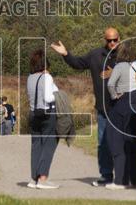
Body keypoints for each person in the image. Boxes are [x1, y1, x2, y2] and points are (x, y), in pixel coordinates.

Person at [50, 28, 120, 186]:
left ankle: (124, 176)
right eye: (109, 40)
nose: (113, 43)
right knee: (103, 143)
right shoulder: (95, 55)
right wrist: (65, 54)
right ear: (105, 40)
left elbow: (134, 73)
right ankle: (106, 176)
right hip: (103, 108)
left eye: (115, 39)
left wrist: (115, 72)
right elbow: (77, 64)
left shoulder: (125, 57)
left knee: (121, 142)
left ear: (119, 38)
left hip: (121, 108)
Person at [103, 42, 136, 190]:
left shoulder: (120, 66)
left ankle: (120, 180)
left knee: (117, 142)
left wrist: (114, 96)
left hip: (122, 103)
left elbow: (110, 84)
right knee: (133, 144)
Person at [27, 48, 59, 189]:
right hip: (47, 113)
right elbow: (49, 97)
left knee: (36, 145)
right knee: (49, 144)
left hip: (33, 113)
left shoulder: (30, 78)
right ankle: (43, 178)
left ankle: (34, 178)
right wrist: (58, 94)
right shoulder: (47, 77)